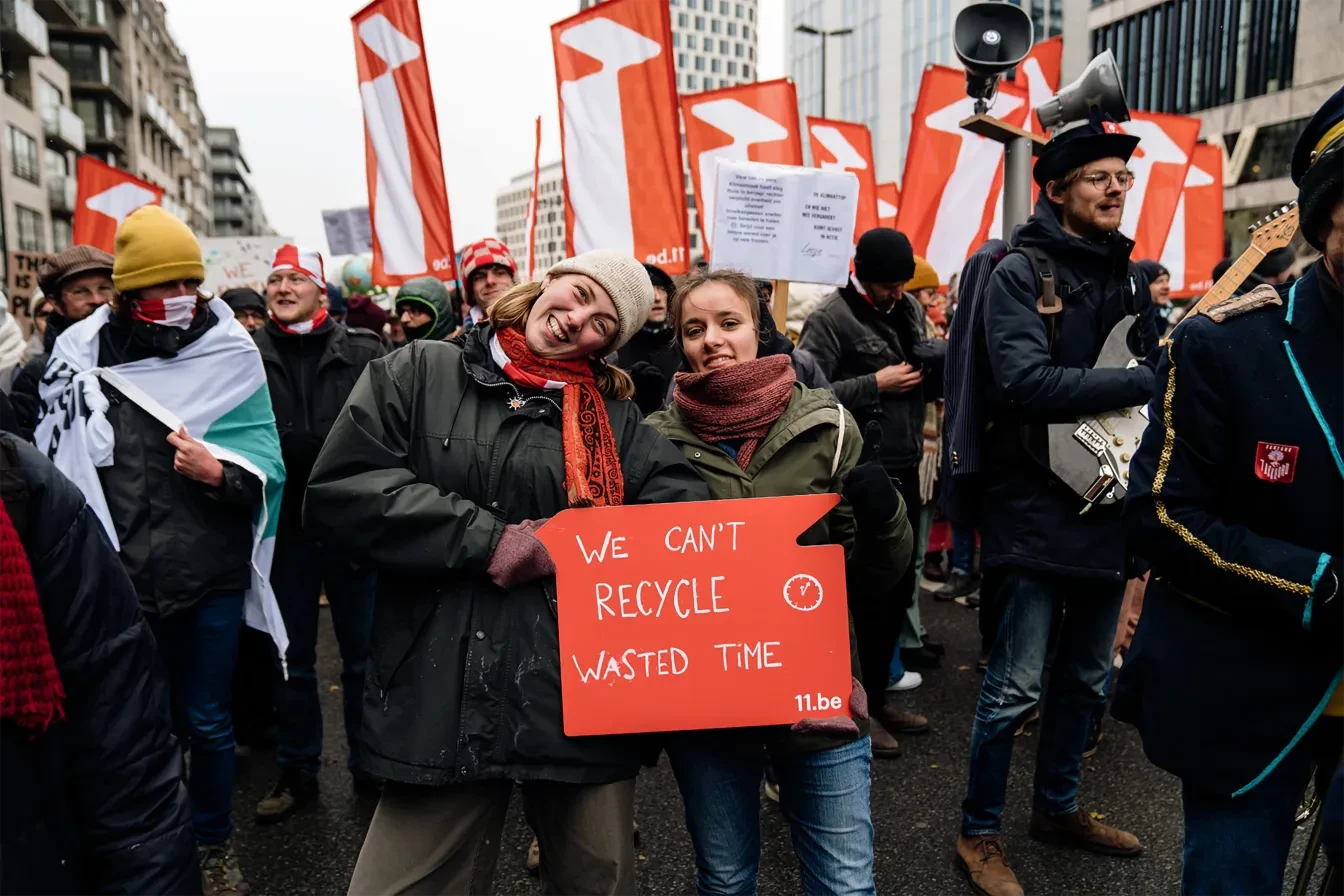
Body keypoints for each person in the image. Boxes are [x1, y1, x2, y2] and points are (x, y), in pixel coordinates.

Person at [305, 249, 707, 896]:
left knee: (598, 881)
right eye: (580, 295)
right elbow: (344, 489)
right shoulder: (420, 369)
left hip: (576, 699)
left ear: (609, 346)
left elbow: (683, 521)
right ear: (550, 280)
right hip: (440, 689)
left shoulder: (619, 425)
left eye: (603, 324)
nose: (578, 321)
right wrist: (490, 540)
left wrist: (581, 541)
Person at [1115, 84, 1344, 896]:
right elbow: (1162, 516)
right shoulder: (1224, 346)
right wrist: (1319, 584)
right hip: (1244, 691)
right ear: (1325, 217)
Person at [33, 206, 286, 896]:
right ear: (128, 291)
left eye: (189, 282)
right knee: (140, 727)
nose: (179, 296)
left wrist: (220, 473)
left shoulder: (231, 351)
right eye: (163, 284)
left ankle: (212, 845)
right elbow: (54, 463)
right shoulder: (80, 357)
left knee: (208, 721)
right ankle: (152, 852)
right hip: (120, 582)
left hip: (210, 577)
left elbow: (267, 463)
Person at [646, 268, 912, 896]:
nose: (712, 339)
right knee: (726, 880)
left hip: (817, 693)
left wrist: (884, 516)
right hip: (707, 705)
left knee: (845, 884)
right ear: (680, 344)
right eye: (694, 329)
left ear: (759, 329)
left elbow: (873, 578)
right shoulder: (653, 443)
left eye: (728, 322)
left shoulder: (829, 426)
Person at [954, 112, 1154, 896]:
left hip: (1108, 506)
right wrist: (1142, 380)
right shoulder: (1017, 271)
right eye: (1101, 177)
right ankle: (978, 833)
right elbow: (1024, 383)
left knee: (1086, 682)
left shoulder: (1127, 275)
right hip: (1032, 509)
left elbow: (1145, 380)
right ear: (1060, 188)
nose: (1117, 189)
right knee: (1015, 688)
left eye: (1123, 177)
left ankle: (1057, 808)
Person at [0, 433, 200, 895]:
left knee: (205, 716)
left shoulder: (20, 484)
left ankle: (217, 834)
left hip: (188, 576)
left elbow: (125, 759)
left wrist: (225, 477)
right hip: (136, 578)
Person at [796, 227, 946, 757]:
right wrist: (874, 384)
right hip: (857, 472)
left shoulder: (907, 308)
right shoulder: (829, 318)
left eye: (901, 284)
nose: (896, 293)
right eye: (887, 285)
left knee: (898, 591)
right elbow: (808, 392)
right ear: (861, 274)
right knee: (860, 599)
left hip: (904, 462)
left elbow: (920, 370)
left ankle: (879, 697)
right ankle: (853, 708)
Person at [251, 245, 387, 823]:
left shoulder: (363, 350)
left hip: (352, 528)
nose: (283, 288)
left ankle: (370, 764)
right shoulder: (247, 352)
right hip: (283, 531)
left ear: (320, 288)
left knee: (363, 658)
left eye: (296, 279)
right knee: (292, 658)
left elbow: (392, 427)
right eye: (276, 279)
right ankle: (297, 769)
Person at [895, 256, 947, 676]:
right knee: (908, 553)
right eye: (927, 293)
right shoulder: (913, 333)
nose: (933, 301)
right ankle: (907, 636)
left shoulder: (927, 330)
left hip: (927, 449)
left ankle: (914, 629)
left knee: (915, 549)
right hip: (917, 452)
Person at [10, 246, 116, 437]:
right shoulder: (40, 373)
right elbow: (22, 443)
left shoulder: (141, 353)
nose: (97, 299)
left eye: (104, 288)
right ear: (56, 304)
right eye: (80, 292)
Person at [614, 262, 679, 415]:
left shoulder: (683, 344)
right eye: (649, 291)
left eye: (661, 289)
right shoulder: (615, 350)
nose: (657, 298)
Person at [458, 236, 519, 326]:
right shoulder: (462, 334)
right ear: (471, 292)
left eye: (499, 273)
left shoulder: (537, 326)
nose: (490, 281)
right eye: (480, 277)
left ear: (514, 280)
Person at [394, 276, 455, 342]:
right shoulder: (402, 347)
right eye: (401, 312)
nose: (404, 319)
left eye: (415, 311)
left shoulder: (459, 347)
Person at [1135, 260, 1172, 337]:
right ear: (1142, 286)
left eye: (1167, 281)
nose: (1166, 287)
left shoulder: (1168, 319)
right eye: (1159, 282)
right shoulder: (1132, 323)